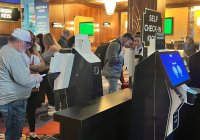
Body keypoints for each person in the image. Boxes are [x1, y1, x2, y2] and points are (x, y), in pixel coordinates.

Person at [0, 28, 43, 140]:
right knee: (14, 134)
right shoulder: (13, 54)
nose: (28, 47)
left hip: (10, 100)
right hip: (14, 101)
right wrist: (37, 78)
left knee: (12, 132)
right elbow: (25, 81)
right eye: (27, 44)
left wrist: (29, 77)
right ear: (19, 42)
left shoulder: (5, 50)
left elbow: (18, 76)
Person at [21, 30, 46, 140]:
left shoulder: (36, 53)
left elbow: (43, 67)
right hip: (22, 87)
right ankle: (18, 133)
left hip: (34, 86)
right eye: (30, 40)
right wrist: (35, 67)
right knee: (21, 111)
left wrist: (31, 67)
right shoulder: (20, 53)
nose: (31, 42)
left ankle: (32, 132)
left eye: (32, 40)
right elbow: (22, 70)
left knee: (32, 110)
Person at [42, 33, 62, 116]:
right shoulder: (56, 46)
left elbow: (43, 57)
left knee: (55, 91)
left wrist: (46, 48)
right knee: (56, 91)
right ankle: (57, 107)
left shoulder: (52, 47)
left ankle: (57, 109)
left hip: (54, 72)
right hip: (56, 71)